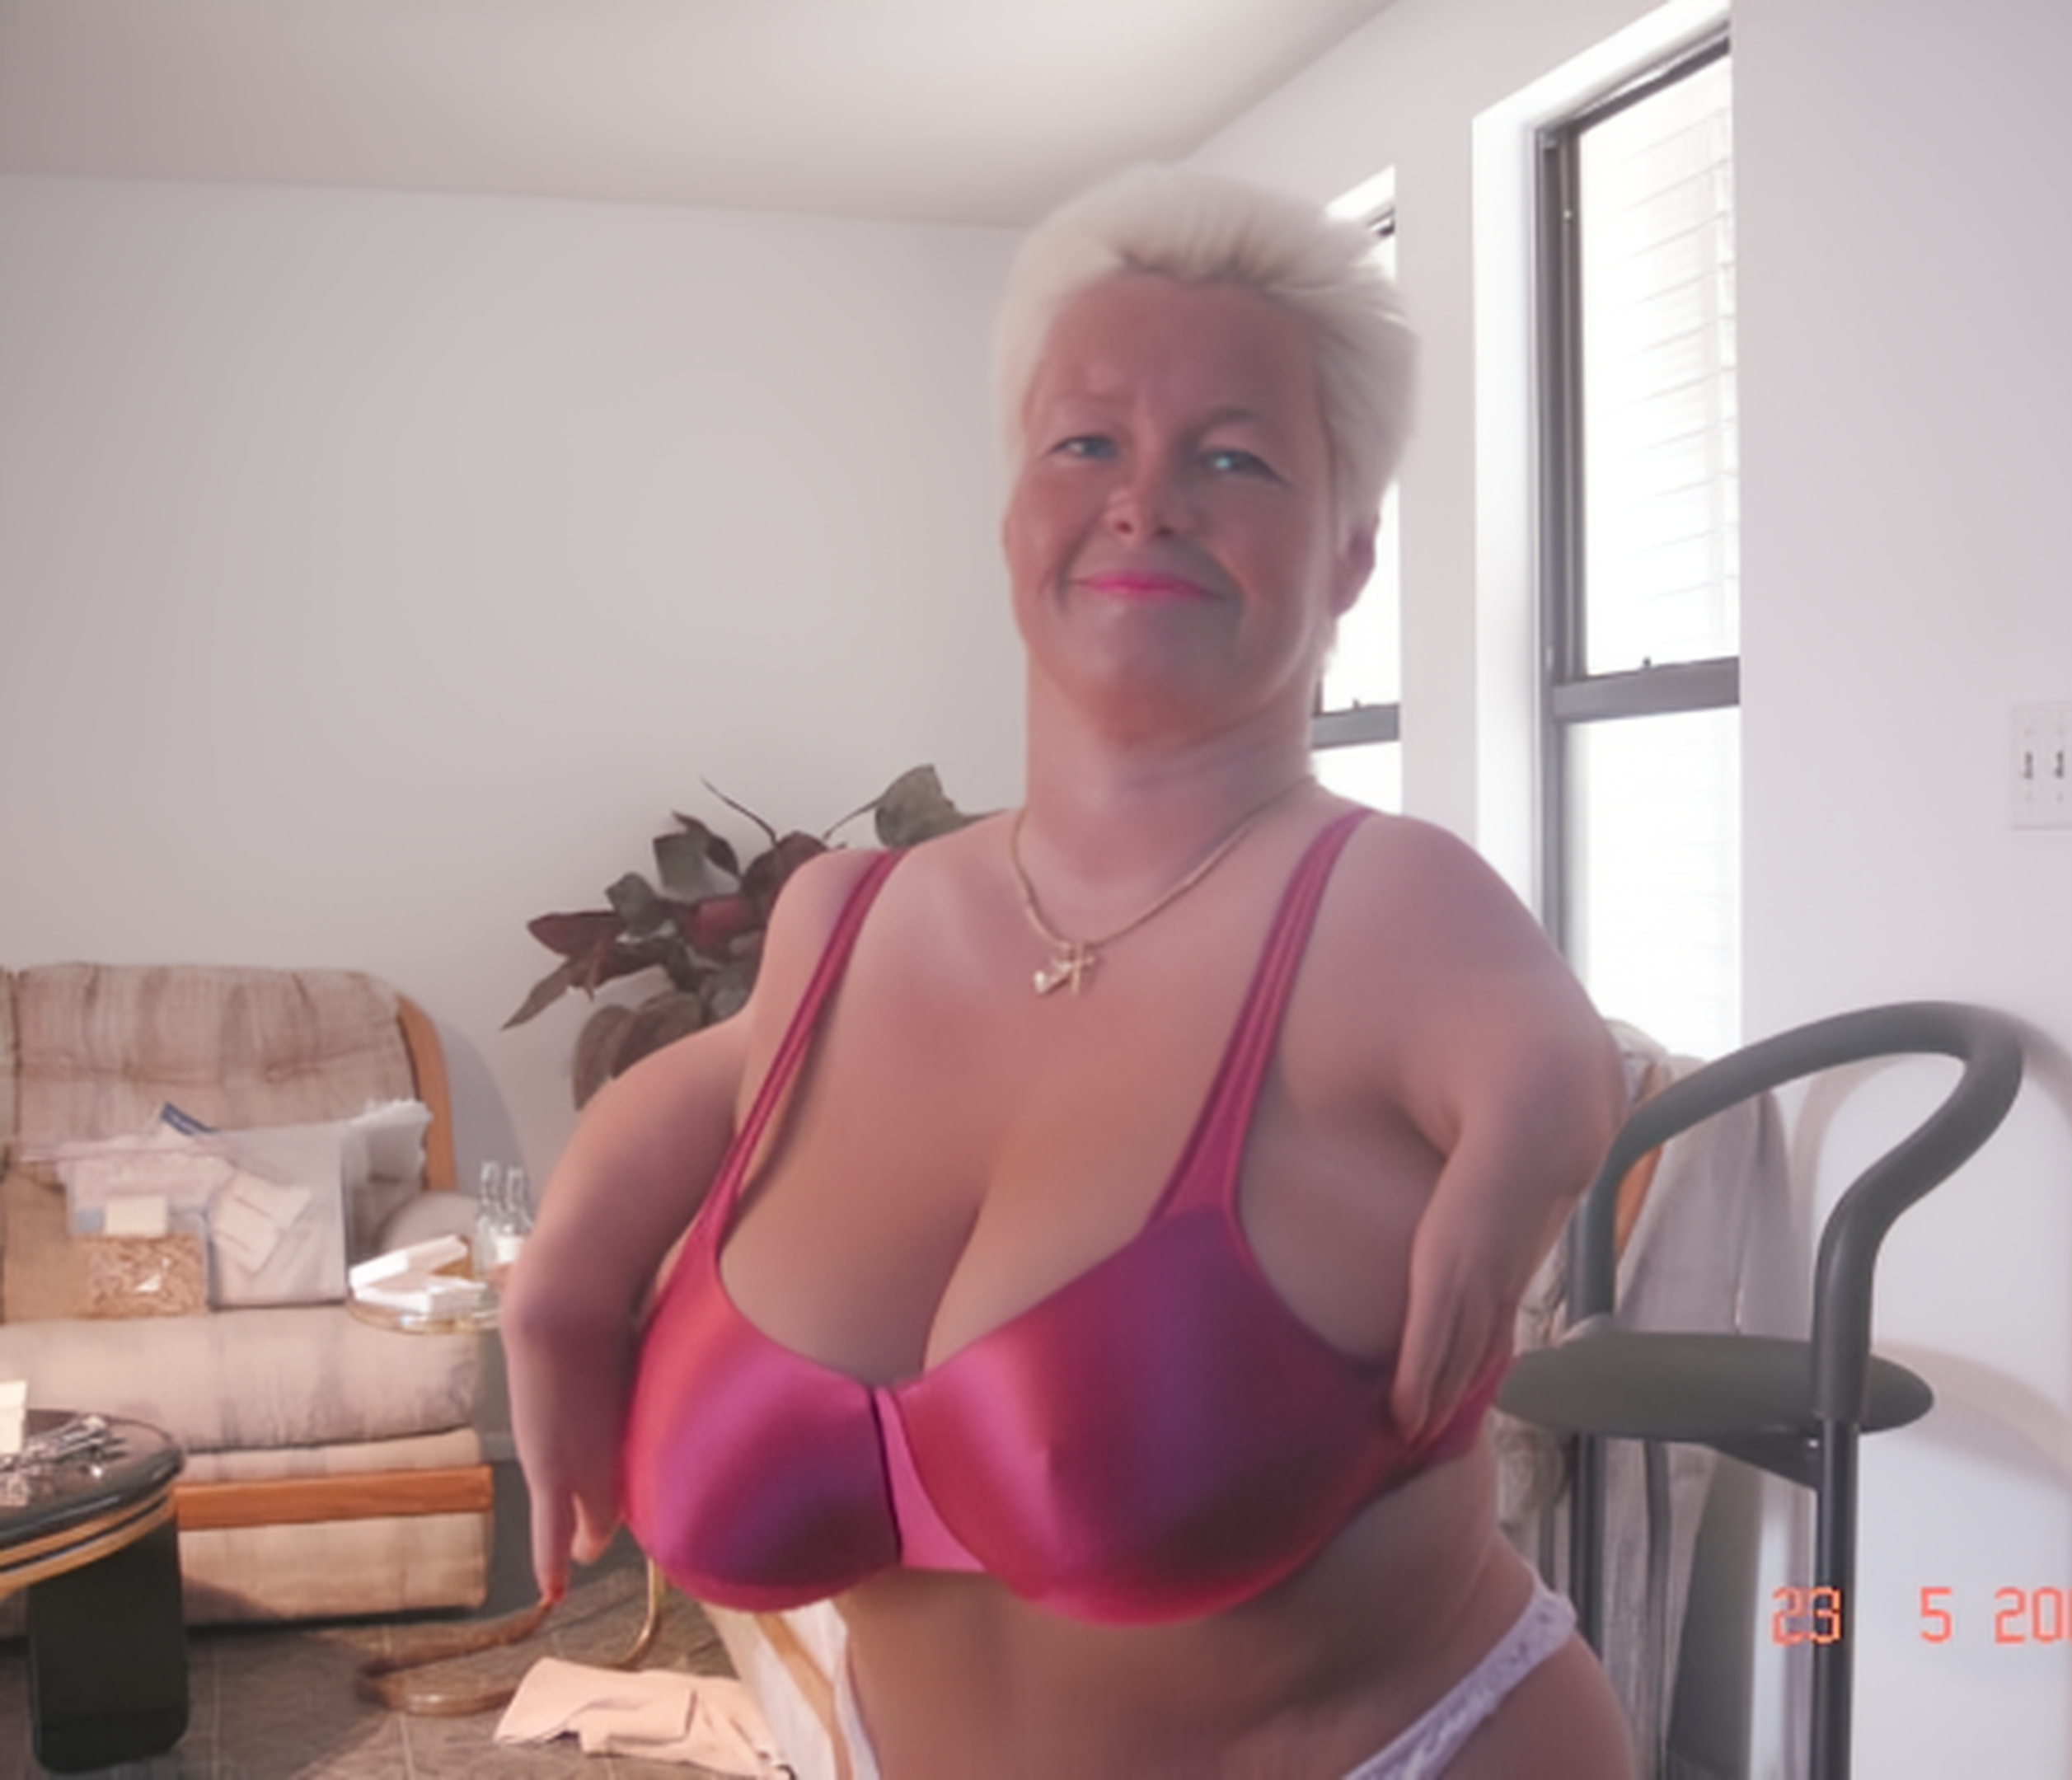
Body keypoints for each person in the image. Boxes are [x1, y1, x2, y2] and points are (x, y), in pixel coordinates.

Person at [503, 163, 1632, 1778]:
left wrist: (1527, 1155)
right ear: (1012, 517)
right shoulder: (853, 920)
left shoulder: (1378, 902)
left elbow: (1548, 1060)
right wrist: (561, 1282)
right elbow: (714, 1082)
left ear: (1349, 554)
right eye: (1087, 443)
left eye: (1233, 457)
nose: (1144, 499)